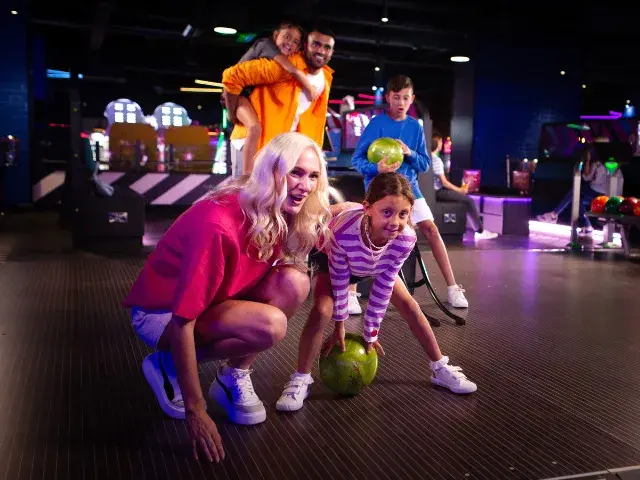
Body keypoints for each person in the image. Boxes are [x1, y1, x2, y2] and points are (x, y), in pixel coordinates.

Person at [122, 132, 332, 463]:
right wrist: (196, 408)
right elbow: (182, 319)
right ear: (272, 172)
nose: (305, 185)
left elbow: (335, 237)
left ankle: (233, 375)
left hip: (216, 300)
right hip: (161, 314)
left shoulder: (281, 212)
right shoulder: (218, 225)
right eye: (296, 172)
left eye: (312, 175)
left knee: (296, 282)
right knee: (270, 325)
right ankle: (167, 365)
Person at [276, 172, 477, 412]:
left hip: (374, 261)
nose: (395, 222)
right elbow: (340, 278)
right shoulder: (344, 231)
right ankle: (301, 378)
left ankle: (440, 367)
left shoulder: (405, 238)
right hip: (334, 258)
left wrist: (371, 332)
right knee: (322, 310)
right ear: (368, 209)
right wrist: (339, 325)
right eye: (387, 212)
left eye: (403, 214)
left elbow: (383, 285)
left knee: (411, 306)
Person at [351, 74, 469, 309]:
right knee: (366, 233)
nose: (401, 103)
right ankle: (351, 292)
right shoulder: (376, 124)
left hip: (409, 189)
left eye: (405, 98)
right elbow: (356, 160)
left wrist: (409, 153)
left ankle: (453, 287)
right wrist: (377, 168)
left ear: (412, 99)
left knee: (431, 229)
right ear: (388, 98)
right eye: (396, 97)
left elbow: (424, 164)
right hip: (380, 188)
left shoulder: (415, 127)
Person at [222, 26, 335, 177]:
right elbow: (232, 76)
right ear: (305, 46)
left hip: (281, 155)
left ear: (332, 52)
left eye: (327, 47)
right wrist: (232, 113)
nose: (321, 51)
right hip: (254, 147)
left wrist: (312, 157)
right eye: (316, 44)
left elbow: (312, 121)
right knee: (244, 197)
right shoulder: (285, 67)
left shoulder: (325, 78)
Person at [431, 133, 498, 240]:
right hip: (438, 192)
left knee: (467, 200)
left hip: (432, 191)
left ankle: (478, 230)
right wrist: (460, 190)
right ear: (436, 143)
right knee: (469, 201)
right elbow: (444, 182)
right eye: (440, 141)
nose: (441, 144)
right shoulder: (436, 160)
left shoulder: (427, 158)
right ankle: (480, 232)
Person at [536, 145, 614, 234]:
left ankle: (554, 214)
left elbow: (586, 177)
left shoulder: (597, 163)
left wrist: (587, 161)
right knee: (576, 199)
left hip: (596, 192)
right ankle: (587, 226)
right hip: (604, 194)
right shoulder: (610, 162)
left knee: (575, 191)